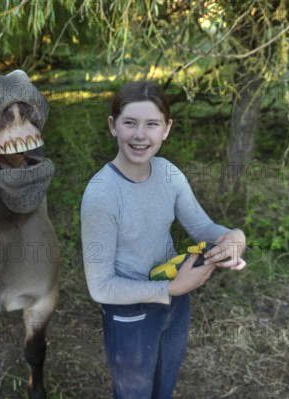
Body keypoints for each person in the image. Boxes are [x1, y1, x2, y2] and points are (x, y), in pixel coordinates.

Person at [80, 81, 247, 398]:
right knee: (135, 393)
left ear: (166, 129)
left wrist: (232, 236)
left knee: (163, 388)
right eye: (130, 123)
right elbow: (99, 286)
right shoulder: (101, 194)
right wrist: (170, 288)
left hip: (176, 302)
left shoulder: (169, 173)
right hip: (131, 313)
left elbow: (203, 227)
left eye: (152, 124)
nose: (140, 135)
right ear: (113, 126)